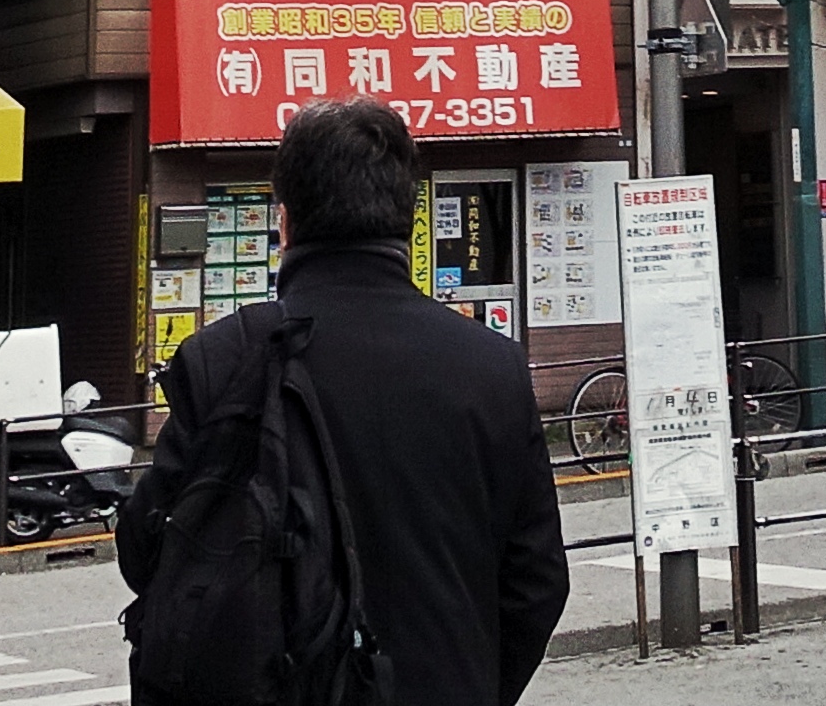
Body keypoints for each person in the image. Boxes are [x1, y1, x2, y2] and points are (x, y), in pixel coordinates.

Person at [115, 99, 563, 706]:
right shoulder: (490, 366)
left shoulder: (224, 358)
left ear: (284, 221)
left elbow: (148, 551)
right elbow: (535, 582)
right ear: (408, 217)